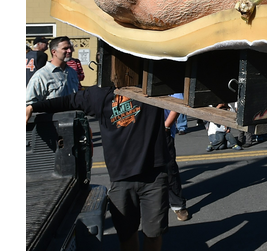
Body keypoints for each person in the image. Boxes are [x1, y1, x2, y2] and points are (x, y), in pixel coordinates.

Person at [25, 84, 170, 251]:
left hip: (154, 176)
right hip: (121, 180)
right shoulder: (100, 95)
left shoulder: (152, 88)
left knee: (153, 234)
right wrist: (33, 107)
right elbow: (68, 101)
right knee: (126, 235)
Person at [26, 36, 80, 103]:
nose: (69, 51)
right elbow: (29, 103)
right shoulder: (42, 75)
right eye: (65, 48)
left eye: (70, 48)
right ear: (54, 52)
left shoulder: (72, 72)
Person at [165, 94, 189, 222]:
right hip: (144, 131)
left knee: (169, 168)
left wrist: (166, 125)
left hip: (164, 131)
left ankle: (178, 205)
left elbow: (179, 100)